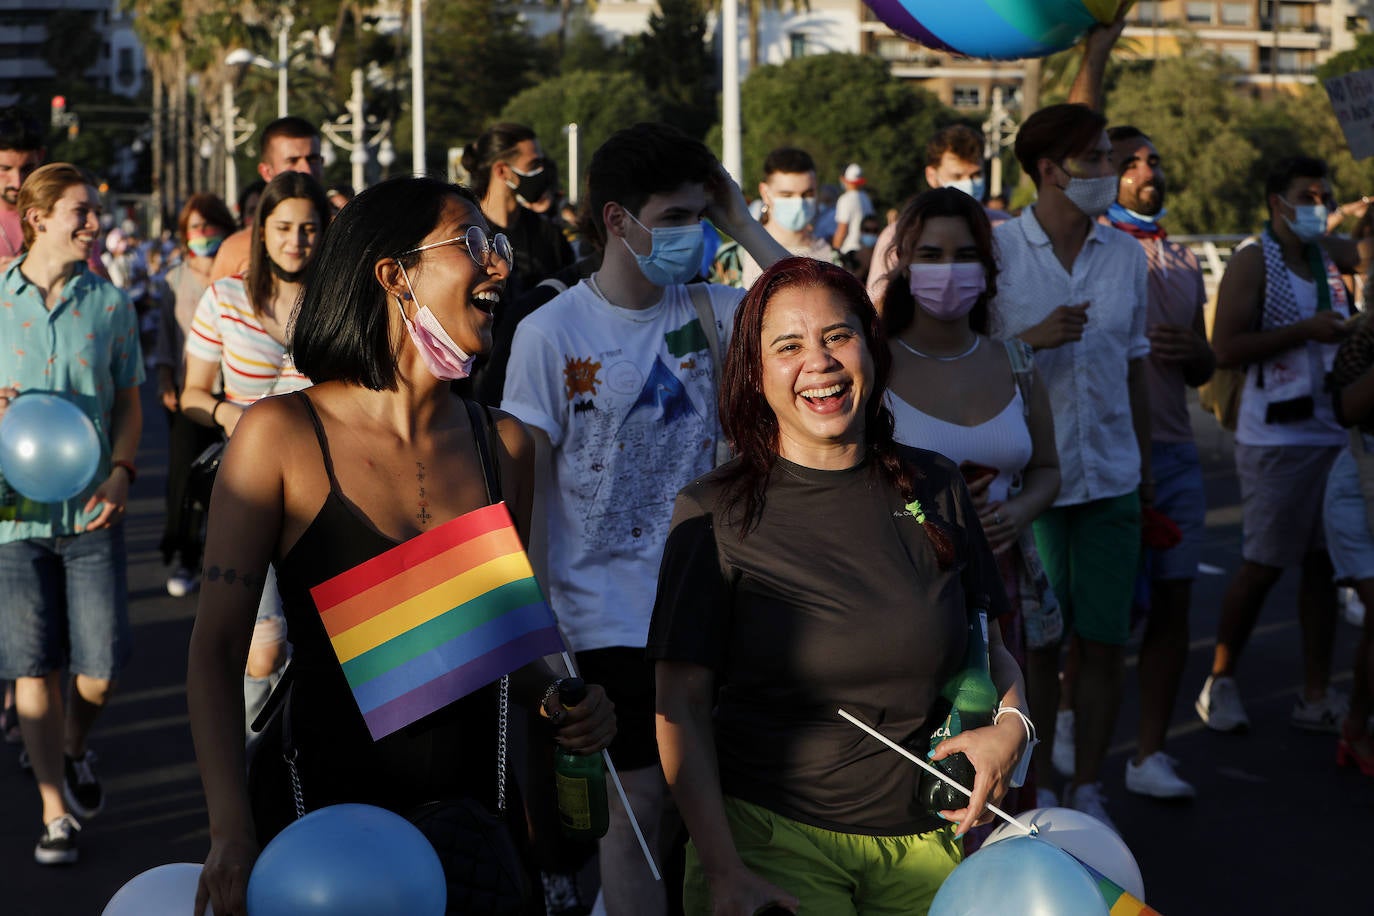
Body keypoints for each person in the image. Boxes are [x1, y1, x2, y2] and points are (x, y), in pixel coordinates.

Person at [186, 175, 616, 916]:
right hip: (318, 838)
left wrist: (566, 703)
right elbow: (216, 651)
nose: (500, 266)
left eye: (501, 245)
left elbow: (497, 657)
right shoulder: (280, 436)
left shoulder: (504, 444)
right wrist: (229, 832)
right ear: (394, 273)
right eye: (474, 244)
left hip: (472, 841)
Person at [650, 257, 1029, 915]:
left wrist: (1014, 727)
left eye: (837, 336)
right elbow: (678, 705)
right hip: (771, 843)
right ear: (754, 373)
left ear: (871, 350)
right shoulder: (713, 514)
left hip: (930, 842)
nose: (818, 361)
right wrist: (724, 872)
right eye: (788, 346)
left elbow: (988, 640)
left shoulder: (937, 483)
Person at [501, 121, 788, 916]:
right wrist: (540, 635)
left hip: (714, 611)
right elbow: (522, 498)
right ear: (615, 222)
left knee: (705, 822)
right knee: (635, 820)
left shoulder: (719, 310)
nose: (688, 235)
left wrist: (742, 222)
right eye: (672, 219)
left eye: (700, 215)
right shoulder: (548, 334)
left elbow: (831, 313)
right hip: (601, 629)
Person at [987, 103, 1151, 827]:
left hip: (1114, 477)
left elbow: (1137, 366)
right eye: (1098, 159)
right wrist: (1032, 338)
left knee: (1106, 641)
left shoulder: (1123, 254)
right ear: (1050, 170)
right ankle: (1040, 787)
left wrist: (1147, 469)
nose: (1111, 171)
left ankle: (1088, 784)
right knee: (1040, 647)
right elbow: (966, 366)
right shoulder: (996, 253)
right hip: (1030, 487)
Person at [881, 188, 1061, 819]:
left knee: (1004, 763)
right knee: (923, 767)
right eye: (931, 253)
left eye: (965, 254)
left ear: (989, 269)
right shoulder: (871, 362)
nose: (948, 270)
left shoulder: (1014, 360)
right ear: (902, 259)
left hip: (1007, 592)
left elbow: (1046, 471)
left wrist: (1018, 512)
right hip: (909, 592)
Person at [0, 163, 144, 865]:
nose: (94, 224)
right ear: (38, 217)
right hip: (11, 512)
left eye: (94, 212)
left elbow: (129, 403)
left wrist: (122, 473)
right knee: (32, 665)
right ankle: (55, 809)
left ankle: (72, 746)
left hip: (92, 506)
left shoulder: (109, 305)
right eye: (81, 212)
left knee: (102, 666)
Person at [1195, 156, 1355, 735]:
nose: (1317, 203)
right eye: (1305, 195)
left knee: (1322, 567)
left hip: (1332, 431)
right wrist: (1303, 332)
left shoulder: (1328, 260)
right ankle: (1221, 680)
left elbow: (1358, 255)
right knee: (1263, 563)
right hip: (1277, 436)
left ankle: (1315, 693)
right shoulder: (1252, 261)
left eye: (1323, 193)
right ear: (1276, 203)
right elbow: (1225, 348)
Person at [180, 172, 328, 729]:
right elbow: (193, 395)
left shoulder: (338, 304)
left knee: (323, 648)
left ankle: (305, 783)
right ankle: (250, 785)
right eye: (284, 227)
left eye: (310, 229)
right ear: (260, 230)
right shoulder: (224, 298)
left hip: (322, 491)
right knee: (261, 649)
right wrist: (231, 414)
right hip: (247, 489)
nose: (296, 241)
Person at [1105, 126, 1214, 800]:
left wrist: (1189, 351)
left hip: (1176, 453)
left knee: (1175, 604)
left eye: (1154, 159)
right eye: (1130, 162)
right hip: (1112, 454)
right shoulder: (1099, 254)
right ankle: (1071, 744)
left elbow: (1205, 363)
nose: (1149, 170)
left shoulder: (1182, 259)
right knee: (1109, 618)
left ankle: (1149, 754)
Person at [151, 193, 238, 598]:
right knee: (186, 476)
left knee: (234, 479)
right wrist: (166, 379)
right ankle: (185, 554)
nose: (204, 234)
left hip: (236, 390)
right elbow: (167, 339)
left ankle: (224, 555)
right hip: (190, 394)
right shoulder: (173, 279)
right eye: (196, 228)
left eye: (210, 226)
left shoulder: (238, 273)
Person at [461, 123, 576, 404]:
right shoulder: (465, 236)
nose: (541, 172)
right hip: (477, 386)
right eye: (533, 164)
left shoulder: (550, 236)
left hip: (542, 380)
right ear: (502, 171)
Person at [868, 124, 1008, 306]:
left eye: (976, 175)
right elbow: (878, 306)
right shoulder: (898, 234)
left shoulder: (1005, 227)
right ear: (931, 176)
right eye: (957, 176)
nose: (969, 184)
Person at [1324, 312, 1374, 777]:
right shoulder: (1366, 334)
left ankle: (1357, 725)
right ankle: (1357, 730)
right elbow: (1348, 409)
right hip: (1361, 487)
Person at [210, 117, 325, 281]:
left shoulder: (344, 238)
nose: (306, 169)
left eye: (313, 160)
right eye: (292, 161)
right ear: (266, 171)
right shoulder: (236, 250)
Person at [712, 147, 838, 289]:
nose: (799, 203)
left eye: (807, 194)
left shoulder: (834, 259)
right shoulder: (733, 258)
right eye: (787, 195)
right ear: (765, 192)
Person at [0, 106, 44, 271]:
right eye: (5, 169)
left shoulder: (60, 214)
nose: (18, 182)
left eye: (27, 169)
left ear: (40, 157)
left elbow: (101, 292)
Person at [832, 163, 874, 267]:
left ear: (845, 179)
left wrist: (834, 251)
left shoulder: (845, 199)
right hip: (865, 251)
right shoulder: (866, 198)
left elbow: (842, 229)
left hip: (849, 252)